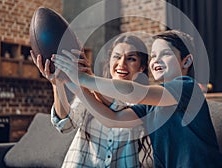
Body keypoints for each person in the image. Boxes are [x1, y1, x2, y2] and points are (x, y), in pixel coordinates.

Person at [52, 30, 222, 167]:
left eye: (166, 54)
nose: (156, 60)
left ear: (186, 61)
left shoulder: (187, 87)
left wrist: (84, 78)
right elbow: (113, 119)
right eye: (154, 55)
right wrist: (75, 86)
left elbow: (135, 91)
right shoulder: (148, 107)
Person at [30, 34, 152, 167]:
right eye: (117, 56)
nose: (122, 64)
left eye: (131, 59)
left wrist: (88, 80)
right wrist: (57, 84)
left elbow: (118, 109)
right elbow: (65, 125)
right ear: (110, 61)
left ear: (141, 68)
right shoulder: (88, 92)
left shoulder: (146, 102)